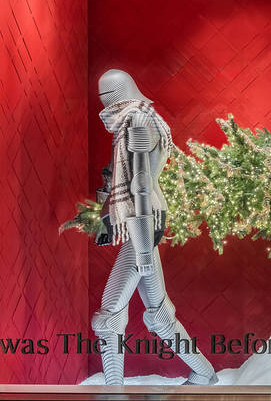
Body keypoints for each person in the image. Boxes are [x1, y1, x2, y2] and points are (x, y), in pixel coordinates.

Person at [91, 69, 218, 385]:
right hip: (144, 220)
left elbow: (142, 185)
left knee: (109, 316)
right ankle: (204, 373)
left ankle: (113, 392)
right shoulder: (139, 119)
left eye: (108, 95)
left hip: (143, 222)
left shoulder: (135, 121)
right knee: (159, 312)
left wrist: (144, 250)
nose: (104, 103)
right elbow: (126, 180)